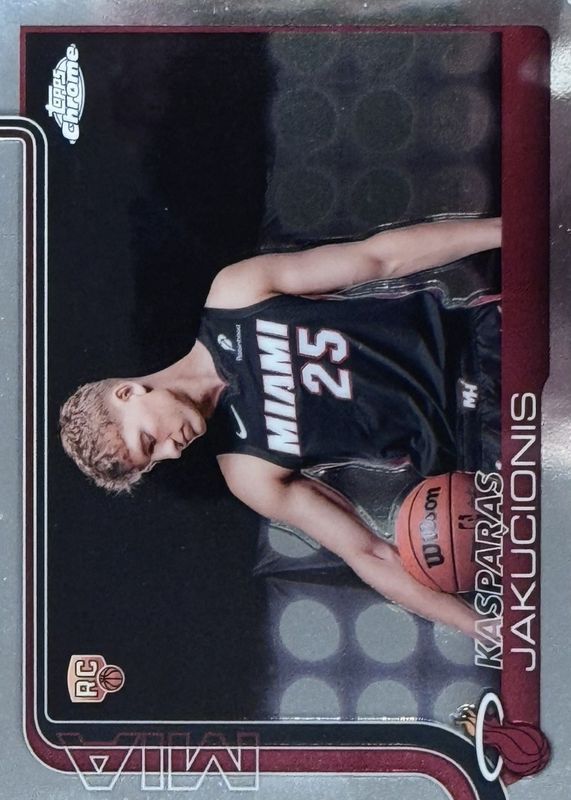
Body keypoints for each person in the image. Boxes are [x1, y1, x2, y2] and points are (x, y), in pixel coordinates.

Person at [60, 216, 502, 639]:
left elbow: (380, 258)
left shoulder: (236, 295)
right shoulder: (247, 472)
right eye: (155, 460)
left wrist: (506, 230)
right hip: (483, 444)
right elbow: (369, 554)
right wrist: (481, 628)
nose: (171, 451)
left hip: (481, 342)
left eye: (148, 440)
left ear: (128, 392)